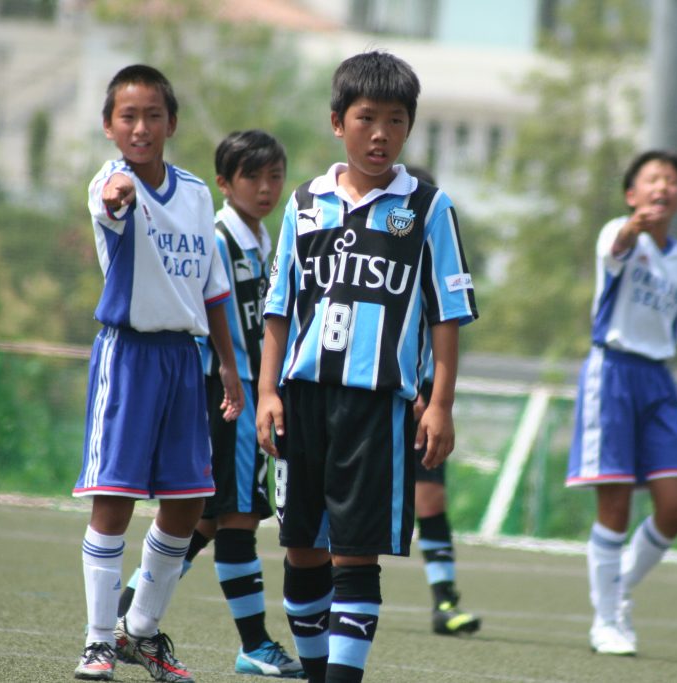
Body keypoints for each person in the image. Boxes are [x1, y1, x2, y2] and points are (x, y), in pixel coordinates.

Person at [256, 51, 479, 683]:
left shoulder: (429, 210)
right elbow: (278, 308)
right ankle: (317, 671)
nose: (380, 133)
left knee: (355, 553)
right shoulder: (303, 205)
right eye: (366, 118)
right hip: (301, 398)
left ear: (409, 128)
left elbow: (447, 313)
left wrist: (440, 404)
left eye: (395, 121)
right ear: (337, 122)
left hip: (377, 403)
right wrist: (267, 391)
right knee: (301, 549)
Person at [72, 64, 245, 683]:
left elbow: (214, 289)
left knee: (188, 501)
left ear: (171, 122)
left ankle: (138, 632)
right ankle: (96, 641)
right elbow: (112, 200)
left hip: (183, 359)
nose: (140, 127)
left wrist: (228, 364)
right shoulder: (109, 183)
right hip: (129, 355)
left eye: (152, 116)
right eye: (128, 116)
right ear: (109, 127)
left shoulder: (197, 193)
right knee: (113, 499)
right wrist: (119, 194)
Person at [116, 129, 302, 678]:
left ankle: (125, 615)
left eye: (275, 176)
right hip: (230, 396)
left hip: (242, 395)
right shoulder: (218, 236)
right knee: (238, 514)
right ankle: (254, 643)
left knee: (206, 518)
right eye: (253, 176)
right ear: (224, 182)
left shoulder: (264, 239)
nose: (266, 188)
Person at [566, 149, 677, 656]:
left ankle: (617, 590)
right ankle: (606, 621)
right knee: (614, 502)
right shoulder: (619, 234)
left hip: (658, 381)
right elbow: (617, 245)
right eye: (653, 179)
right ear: (633, 194)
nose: (664, 186)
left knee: (675, 507)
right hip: (612, 371)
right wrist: (633, 226)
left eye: (672, 180)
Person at [402, 165, 481, 637]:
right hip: (375, 392)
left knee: (430, 497)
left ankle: (445, 602)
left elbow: (447, 329)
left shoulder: (436, 253)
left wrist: (433, 401)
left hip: (424, 396)